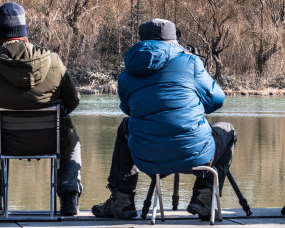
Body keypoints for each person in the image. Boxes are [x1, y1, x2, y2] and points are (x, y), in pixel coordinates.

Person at [92, 18, 235, 220]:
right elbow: (217, 99)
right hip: (196, 154)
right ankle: (203, 198)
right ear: (174, 41)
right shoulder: (191, 62)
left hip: (146, 158)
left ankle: (122, 200)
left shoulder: (126, 74)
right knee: (226, 128)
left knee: (126, 127)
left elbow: (128, 110)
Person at [0, 1, 83, 216]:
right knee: (71, 140)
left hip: (1, 144)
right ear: (24, 32)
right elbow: (72, 102)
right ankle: (69, 199)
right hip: (52, 141)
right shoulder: (54, 61)